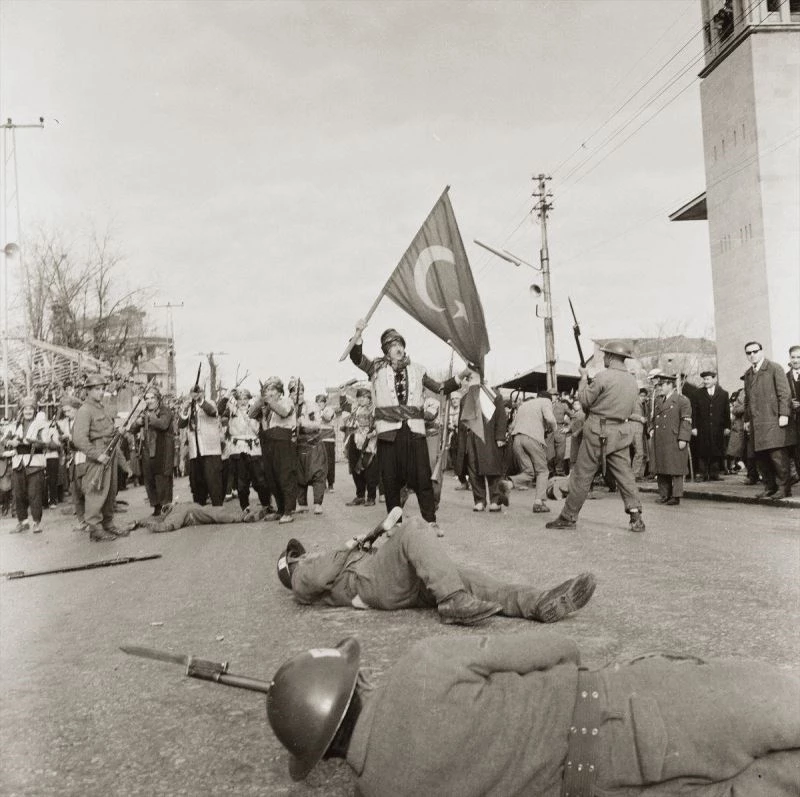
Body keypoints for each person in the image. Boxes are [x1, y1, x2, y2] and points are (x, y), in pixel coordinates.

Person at [267, 630, 800, 796]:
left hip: (603, 791)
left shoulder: (381, 791)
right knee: (782, 704)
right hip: (631, 707)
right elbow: (554, 647)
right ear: (356, 680)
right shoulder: (418, 666)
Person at [279, 514, 596, 626]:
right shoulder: (301, 575)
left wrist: (372, 541)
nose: (307, 553)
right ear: (291, 565)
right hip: (373, 584)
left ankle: (538, 603)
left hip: (387, 582)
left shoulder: (323, 564)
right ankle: (452, 601)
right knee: (414, 526)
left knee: (471, 580)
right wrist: (351, 543)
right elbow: (319, 578)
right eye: (298, 555)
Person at [348, 323, 463, 534]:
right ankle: (395, 523)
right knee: (391, 480)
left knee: (422, 478)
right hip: (388, 433)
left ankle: (430, 521)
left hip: (414, 432)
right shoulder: (376, 368)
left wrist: (461, 376)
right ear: (385, 350)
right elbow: (356, 358)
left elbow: (440, 388)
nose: (397, 347)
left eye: (400, 343)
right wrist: (359, 334)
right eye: (392, 345)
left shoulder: (418, 369)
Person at [546, 341, 645, 532]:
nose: (604, 358)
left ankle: (568, 516)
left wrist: (583, 378)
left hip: (597, 432)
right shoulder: (632, 382)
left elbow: (584, 402)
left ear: (609, 357)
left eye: (605, 355)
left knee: (582, 475)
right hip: (620, 433)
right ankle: (636, 517)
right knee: (625, 476)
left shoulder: (603, 377)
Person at [72, 374, 128, 541]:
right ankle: (95, 529)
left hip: (109, 451)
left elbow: (108, 431)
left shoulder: (101, 408)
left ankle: (108, 524)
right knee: (96, 491)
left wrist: (119, 432)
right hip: (97, 455)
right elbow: (79, 439)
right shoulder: (84, 410)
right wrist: (97, 455)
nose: (101, 392)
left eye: (102, 389)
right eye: (97, 389)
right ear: (88, 391)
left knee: (110, 490)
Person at [742, 341, 796, 498]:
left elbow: (784, 393)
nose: (752, 355)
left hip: (773, 420)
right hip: (757, 424)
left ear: (762, 351)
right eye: (748, 353)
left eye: (755, 351)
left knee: (777, 457)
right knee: (761, 458)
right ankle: (770, 486)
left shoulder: (774, 368)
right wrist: (746, 420)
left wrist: (784, 414)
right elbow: (747, 400)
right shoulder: (748, 374)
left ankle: (783, 488)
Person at [453, 368, 507, 512]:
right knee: (473, 470)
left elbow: (502, 417)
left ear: (480, 378)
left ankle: (495, 500)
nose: (468, 381)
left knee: (492, 468)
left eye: (471, 378)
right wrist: (461, 441)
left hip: (488, 437)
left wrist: (500, 436)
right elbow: (461, 422)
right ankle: (479, 500)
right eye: (468, 378)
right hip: (470, 438)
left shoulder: (493, 395)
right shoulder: (465, 398)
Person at [2, 396, 54, 534]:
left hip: (35, 464)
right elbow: (4, 438)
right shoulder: (15, 425)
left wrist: (25, 442)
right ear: (21, 410)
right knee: (18, 495)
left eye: (31, 408)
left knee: (34, 495)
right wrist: (9, 442)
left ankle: (36, 523)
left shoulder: (41, 424)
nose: (28, 411)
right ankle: (23, 522)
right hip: (18, 463)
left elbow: (45, 442)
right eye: (25, 409)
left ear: (35, 410)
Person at [249, 376, 298, 524]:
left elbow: (284, 412)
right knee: (272, 477)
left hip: (283, 440)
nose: (269, 392)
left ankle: (289, 511)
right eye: (267, 389)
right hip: (267, 440)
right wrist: (260, 401)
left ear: (279, 392)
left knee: (285, 476)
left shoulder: (286, 401)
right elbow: (251, 414)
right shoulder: (265, 404)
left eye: (272, 389)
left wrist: (270, 402)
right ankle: (280, 509)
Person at [130, 385, 175, 517]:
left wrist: (148, 419)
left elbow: (163, 424)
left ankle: (165, 506)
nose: (149, 401)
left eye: (152, 398)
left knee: (162, 479)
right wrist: (138, 423)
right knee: (149, 480)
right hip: (147, 452)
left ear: (158, 399)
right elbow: (132, 429)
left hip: (162, 451)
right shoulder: (144, 412)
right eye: (147, 398)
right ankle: (156, 506)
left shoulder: (165, 411)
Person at [225, 388, 271, 513]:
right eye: (240, 399)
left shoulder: (255, 411)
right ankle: (245, 507)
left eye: (245, 398)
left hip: (253, 448)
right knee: (242, 481)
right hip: (238, 448)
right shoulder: (231, 410)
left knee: (259, 479)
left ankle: (266, 504)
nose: (243, 401)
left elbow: (264, 421)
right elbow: (218, 410)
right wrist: (227, 396)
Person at [178, 384, 224, 507]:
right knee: (196, 481)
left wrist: (200, 400)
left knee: (213, 480)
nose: (196, 394)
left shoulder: (210, 403)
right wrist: (185, 409)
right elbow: (181, 424)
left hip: (210, 449)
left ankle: (217, 507)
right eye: (193, 392)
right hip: (195, 450)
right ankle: (200, 507)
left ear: (202, 393)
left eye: (198, 392)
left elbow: (212, 411)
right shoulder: (189, 407)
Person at [650, 373, 693, 505]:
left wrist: (683, 438)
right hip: (660, 439)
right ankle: (664, 494)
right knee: (662, 467)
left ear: (670, 385)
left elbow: (686, 421)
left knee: (676, 468)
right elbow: (652, 418)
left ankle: (676, 495)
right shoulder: (658, 400)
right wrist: (650, 429)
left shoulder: (682, 400)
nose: (659, 388)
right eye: (658, 385)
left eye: (661, 385)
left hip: (674, 438)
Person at [511, 392, 558, 513]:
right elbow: (549, 418)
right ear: (549, 399)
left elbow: (512, 425)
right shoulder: (545, 401)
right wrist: (554, 428)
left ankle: (508, 483)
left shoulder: (523, 405)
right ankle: (539, 502)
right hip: (532, 438)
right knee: (542, 471)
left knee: (529, 472)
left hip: (517, 439)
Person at [342, 387, 379, 507]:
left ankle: (371, 497)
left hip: (369, 440)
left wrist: (373, 433)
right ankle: (360, 495)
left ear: (369, 398)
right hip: (355, 437)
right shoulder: (355, 408)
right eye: (359, 397)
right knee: (355, 467)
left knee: (369, 468)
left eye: (364, 397)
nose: (361, 399)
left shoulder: (374, 409)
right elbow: (347, 418)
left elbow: (378, 423)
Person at [692, 369, 730, 481]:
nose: (705, 381)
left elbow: (726, 411)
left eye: (708, 379)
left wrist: (727, 426)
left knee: (716, 449)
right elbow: (694, 412)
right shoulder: (697, 393)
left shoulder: (723, 394)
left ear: (714, 379)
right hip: (702, 428)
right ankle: (702, 473)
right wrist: (693, 427)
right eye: (704, 379)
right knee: (702, 450)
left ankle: (714, 473)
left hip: (717, 428)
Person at [313, 393, 337, 492]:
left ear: (325, 402)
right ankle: (323, 484)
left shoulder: (329, 409)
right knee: (320, 463)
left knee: (330, 462)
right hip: (319, 439)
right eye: (318, 402)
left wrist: (320, 412)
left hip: (328, 440)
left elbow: (327, 418)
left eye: (321, 402)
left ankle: (331, 484)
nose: (319, 404)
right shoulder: (316, 412)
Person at [787, 344, 800, 478]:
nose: (795, 360)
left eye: (798, 357)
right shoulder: (785, 377)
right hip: (794, 422)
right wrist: (789, 403)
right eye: (793, 357)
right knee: (796, 451)